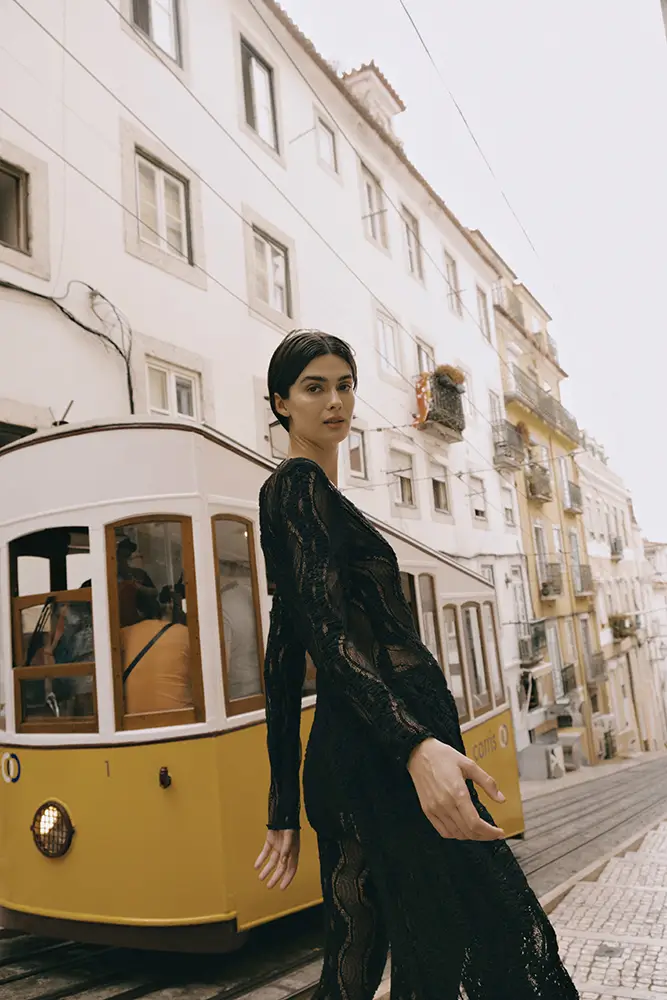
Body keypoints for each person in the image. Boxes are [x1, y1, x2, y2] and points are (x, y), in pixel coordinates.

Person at [254, 330, 578, 1000]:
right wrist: (411, 745)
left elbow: (284, 653)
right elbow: (324, 638)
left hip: (359, 751)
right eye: (314, 388)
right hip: (383, 753)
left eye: (344, 385)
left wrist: (284, 802)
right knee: (466, 938)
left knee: (361, 954)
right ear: (281, 403)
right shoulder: (297, 485)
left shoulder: (309, 497)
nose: (335, 401)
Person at [219, 560, 262, 701]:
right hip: (263, 688)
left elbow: (222, 666)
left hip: (238, 697)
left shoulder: (222, 607)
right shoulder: (251, 593)